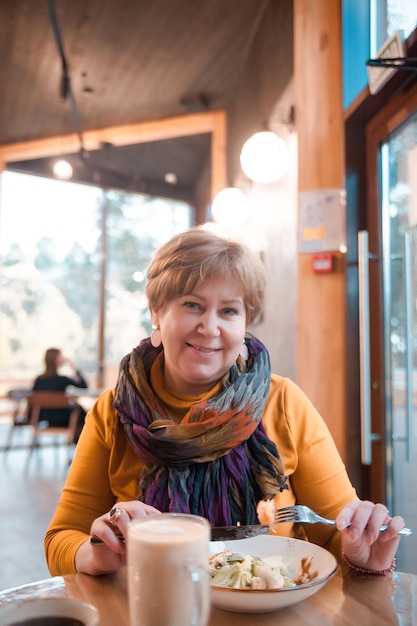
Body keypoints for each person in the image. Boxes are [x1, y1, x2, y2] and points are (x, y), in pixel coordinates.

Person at [45, 226, 405, 578]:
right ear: (157, 313)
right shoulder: (113, 411)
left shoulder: (283, 401)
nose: (210, 327)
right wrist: (97, 549)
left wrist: (361, 554)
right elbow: (61, 541)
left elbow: (332, 536)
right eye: (192, 305)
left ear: (246, 324)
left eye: (229, 311)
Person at [33, 348, 88, 442]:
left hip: (45, 417)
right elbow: (84, 386)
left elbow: (34, 400)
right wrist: (74, 367)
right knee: (81, 414)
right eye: (60, 357)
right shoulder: (63, 380)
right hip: (63, 419)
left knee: (78, 412)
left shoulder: (38, 380)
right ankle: (82, 445)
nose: (63, 359)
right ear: (55, 360)